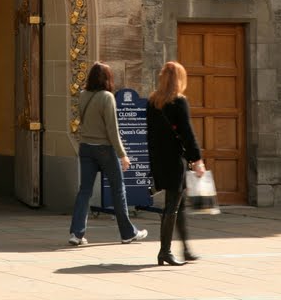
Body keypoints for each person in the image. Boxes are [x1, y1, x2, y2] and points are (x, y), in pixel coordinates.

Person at [69, 62, 148, 246]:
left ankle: (76, 233)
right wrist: (123, 155)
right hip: (104, 148)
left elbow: (81, 119)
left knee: (85, 191)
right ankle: (127, 233)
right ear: (107, 78)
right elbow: (112, 129)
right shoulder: (107, 97)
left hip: (86, 147)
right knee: (118, 188)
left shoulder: (83, 95)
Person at [147, 60, 205, 266]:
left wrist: (153, 163)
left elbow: (150, 136)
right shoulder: (179, 102)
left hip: (160, 160)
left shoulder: (153, 101)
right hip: (175, 161)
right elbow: (187, 134)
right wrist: (197, 159)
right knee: (172, 206)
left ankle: (185, 249)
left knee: (177, 205)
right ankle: (165, 251)